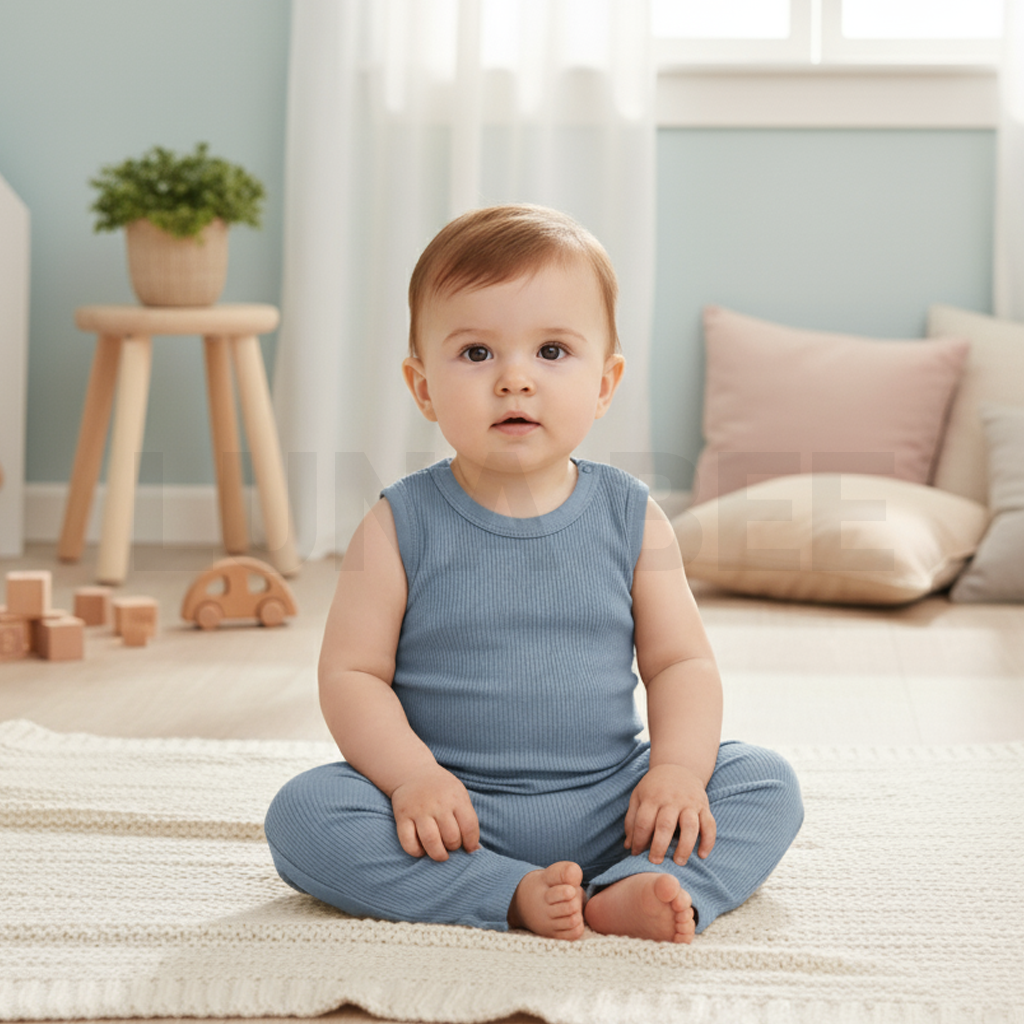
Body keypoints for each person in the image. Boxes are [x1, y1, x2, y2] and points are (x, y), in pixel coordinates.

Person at [265, 204, 803, 943]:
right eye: (477, 353)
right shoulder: (398, 523)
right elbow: (352, 674)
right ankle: (507, 892)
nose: (515, 380)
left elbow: (680, 661)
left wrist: (676, 772)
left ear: (606, 382)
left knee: (762, 782)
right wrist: (413, 779)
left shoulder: (630, 514)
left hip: (616, 802)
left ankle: (639, 885)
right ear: (421, 386)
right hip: (452, 812)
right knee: (305, 815)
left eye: (552, 352)